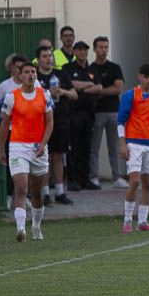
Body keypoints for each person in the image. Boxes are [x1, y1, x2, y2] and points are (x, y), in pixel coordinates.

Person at [0, 61, 53, 242]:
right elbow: (4, 125)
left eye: (33, 72)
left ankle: (36, 225)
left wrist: (43, 144)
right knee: (21, 187)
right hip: (18, 146)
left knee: (36, 192)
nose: (31, 75)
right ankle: (20, 229)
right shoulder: (11, 97)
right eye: (27, 72)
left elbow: (50, 122)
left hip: (38, 147)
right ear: (20, 76)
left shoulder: (45, 95)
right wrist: (1, 149)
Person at [117, 64, 149, 234]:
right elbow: (121, 121)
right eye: (146, 76)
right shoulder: (130, 95)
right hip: (134, 143)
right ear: (140, 77)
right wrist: (122, 143)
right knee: (135, 180)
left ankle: (143, 221)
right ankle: (127, 219)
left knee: (147, 183)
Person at [35, 45, 77, 205]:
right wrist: (47, 94)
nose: (48, 59)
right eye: (44, 56)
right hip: (42, 122)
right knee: (45, 156)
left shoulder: (60, 74)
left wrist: (62, 92)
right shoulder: (36, 76)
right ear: (38, 59)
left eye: (50, 56)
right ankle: (45, 193)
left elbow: (74, 95)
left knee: (59, 156)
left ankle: (60, 192)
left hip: (61, 121)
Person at [87, 37, 126, 188]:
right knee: (94, 147)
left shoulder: (115, 67)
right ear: (95, 49)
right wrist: (103, 90)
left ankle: (117, 178)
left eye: (106, 47)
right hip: (96, 113)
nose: (103, 50)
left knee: (114, 147)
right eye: (101, 47)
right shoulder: (90, 69)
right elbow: (89, 90)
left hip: (114, 112)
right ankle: (93, 177)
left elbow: (118, 88)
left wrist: (99, 90)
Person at [64, 41, 99, 190]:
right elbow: (70, 84)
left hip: (89, 115)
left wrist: (81, 88)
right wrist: (88, 85)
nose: (82, 53)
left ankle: (85, 180)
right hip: (74, 114)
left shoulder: (92, 69)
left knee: (86, 148)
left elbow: (99, 87)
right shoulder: (68, 68)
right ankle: (73, 180)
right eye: (79, 50)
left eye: (85, 50)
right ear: (74, 52)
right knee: (74, 148)